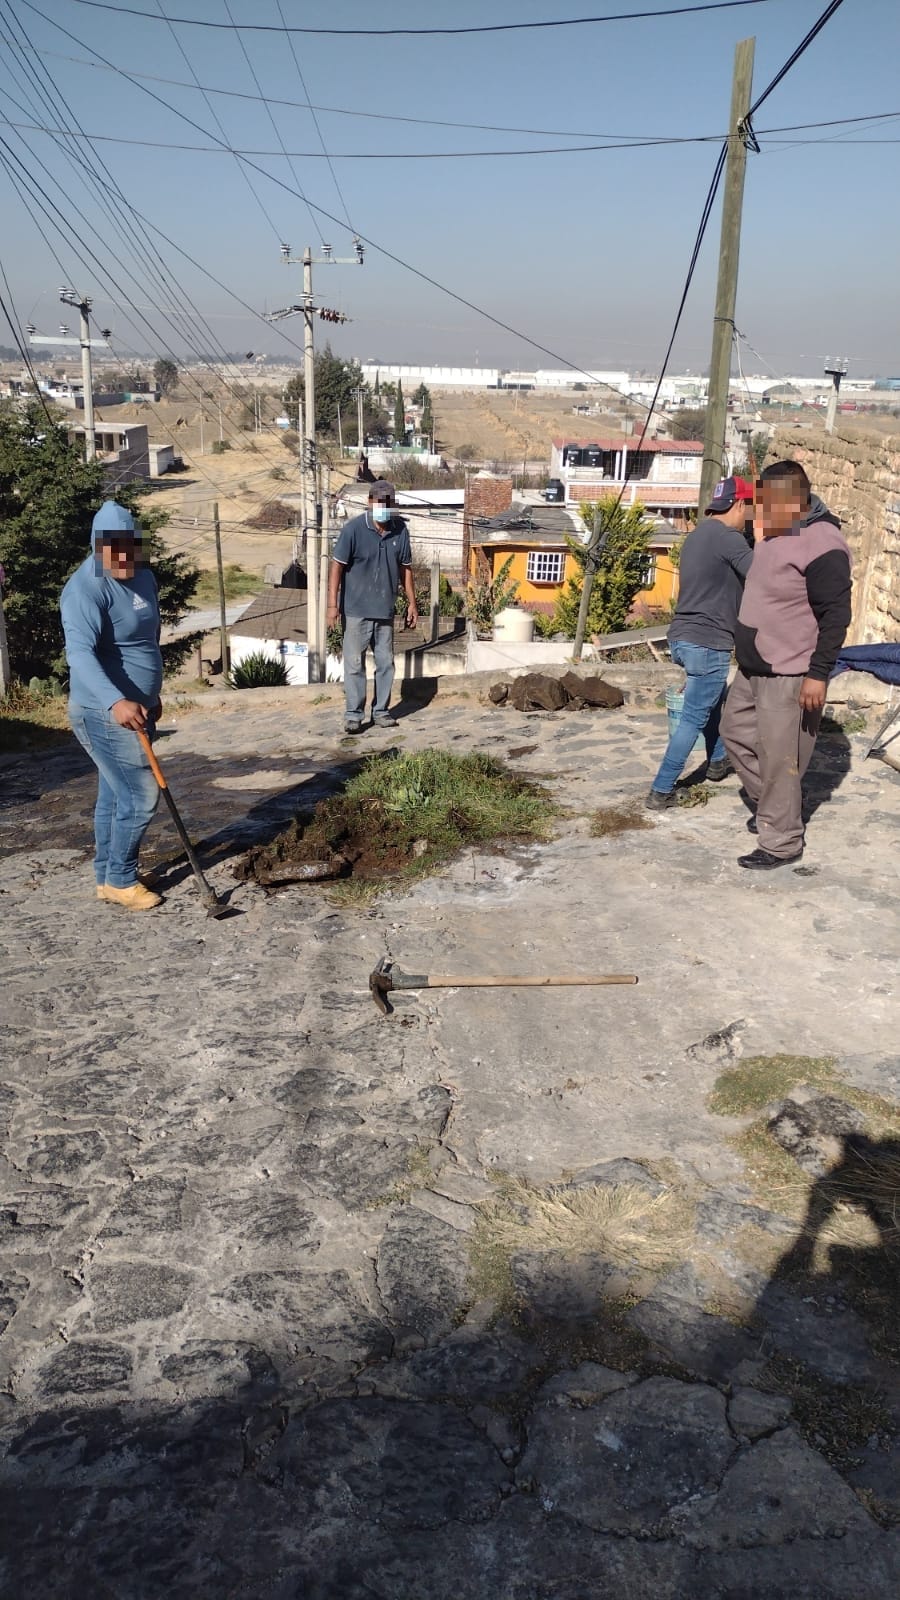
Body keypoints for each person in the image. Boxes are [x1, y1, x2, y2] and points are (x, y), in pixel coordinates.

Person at [721, 459, 852, 870]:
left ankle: (781, 842)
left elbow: (836, 615)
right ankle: (780, 807)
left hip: (791, 672)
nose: (763, 511)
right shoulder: (779, 530)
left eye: (771, 504)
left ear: (799, 500)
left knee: (780, 757)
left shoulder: (824, 543)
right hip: (754, 665)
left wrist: (818, 675)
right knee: (734, 732)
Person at [60, 501, 163, 910]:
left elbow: (147, 640)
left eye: (128, 547)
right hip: (103, 713)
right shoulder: (84, 590)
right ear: (96, 547)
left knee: (114, 795)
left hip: (138, 708)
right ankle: (122, 879)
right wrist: (117, 701)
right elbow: (80, 656)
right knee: (140, 795)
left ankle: (108, 876)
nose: (122, 558)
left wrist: (152, 695)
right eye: (112, 549)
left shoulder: (144, 577)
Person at [645, 475, 756, 809]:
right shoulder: (730, 539)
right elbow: (763, 575)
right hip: (709, 641)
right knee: (694, 715)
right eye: (750, 509)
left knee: (711, 698)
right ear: (740, 505)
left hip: (682, 637)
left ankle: (719, 760)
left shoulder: (697, 536)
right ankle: (662, 790)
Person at [327, 480, 418, 733]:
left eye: (388, 504)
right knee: (354, 664)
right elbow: (336, 568)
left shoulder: (400, 531)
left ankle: (381, 712)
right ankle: (354, 714)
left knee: (385, 663)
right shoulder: (353, 530)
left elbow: (406, 570)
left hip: (385, 611)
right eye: (380, 503)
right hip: (356, 611)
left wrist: (412, 603)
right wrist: (332, 606)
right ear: (370, 503)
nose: (384, 509)